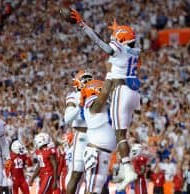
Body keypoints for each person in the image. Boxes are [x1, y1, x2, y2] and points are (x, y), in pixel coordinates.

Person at [69, 9, 141, 191]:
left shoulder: (118, 49)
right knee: (122, 133)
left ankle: (127, 168)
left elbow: (100, 43)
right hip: (134, 91)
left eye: (116, 38)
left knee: (120, 135)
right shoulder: (135, 51)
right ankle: (126, 168)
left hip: (121, 89)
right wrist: (118, 31)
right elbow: (123, 43)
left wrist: (83, 25)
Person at [80, 79, 115, 194]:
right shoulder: (91, 101)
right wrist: (111, 76)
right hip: (96, 152)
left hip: (102, 153)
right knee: (93, 189)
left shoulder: (102, 106)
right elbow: (103, 96)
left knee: (100, 189)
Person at [64, 70, 93, 194]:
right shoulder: (73, 96)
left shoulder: (95, 94)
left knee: (92, 176)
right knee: (76, 173)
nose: (87, 82)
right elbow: (67, 119)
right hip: (81, 135)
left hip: (95, 136)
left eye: (89, 79)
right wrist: (79, 107)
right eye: (84, 79)